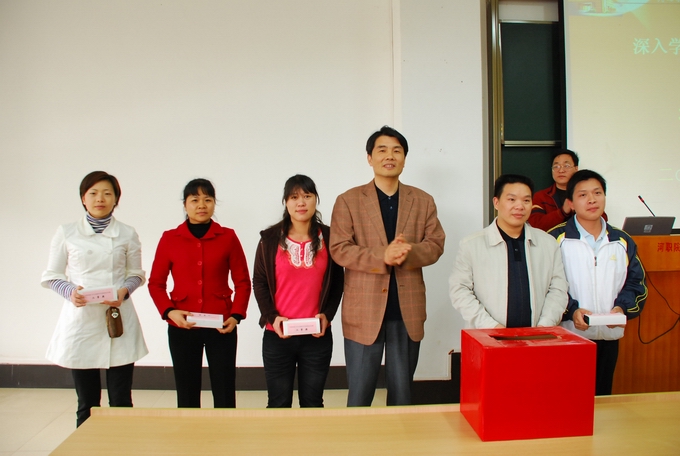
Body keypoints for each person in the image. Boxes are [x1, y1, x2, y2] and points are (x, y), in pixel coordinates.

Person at [330, 126, 445, 407]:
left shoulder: (423, 200)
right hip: (363, 311)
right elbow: (339, 249)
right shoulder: (348, 200)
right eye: (382, 150)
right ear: (369, 158)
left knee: (402, 395)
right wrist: (383, 255)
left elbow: (435, 244)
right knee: (359, 395)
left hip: (406, 311)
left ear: (405, 158)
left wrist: (407, 252)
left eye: (397, 150)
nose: (389, 156)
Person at [41, 171, 148, 427]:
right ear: (83, 198)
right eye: (93, 193)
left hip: (117, 317)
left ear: (116, 199)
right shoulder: (67, 232)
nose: (100, 198)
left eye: (107, 193)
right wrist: (70, 292)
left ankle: (121, 444)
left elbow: (136, 274)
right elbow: (52, 276)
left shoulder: (127, 233)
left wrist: (124, 291)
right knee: (87, 403)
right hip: (82, 320)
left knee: (121, 400)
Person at [148, 178, 251, 408]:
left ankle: (224, 428)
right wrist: (169, 312)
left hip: (221, 325)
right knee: (186, 391)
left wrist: (236, 315)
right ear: (185, 205)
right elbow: (156, 283)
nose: (201, 205)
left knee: (224, 389)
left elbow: (243, 282)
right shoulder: (170, 238)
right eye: (195, 200)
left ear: (214, 203)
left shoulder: (228, 237)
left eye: (208, 199)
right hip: (182, 324)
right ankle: (189, 430)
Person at [548, 170, 647, 395]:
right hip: (569, 336)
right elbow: (546, 286)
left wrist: (622, 308)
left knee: (602, 400)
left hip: (609, 336)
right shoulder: (555, 239)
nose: (592, 200)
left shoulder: (622, 240)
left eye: (597, 193)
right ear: (570, 203)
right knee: (569, 399)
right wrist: (572, 310)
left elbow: (636, 282)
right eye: (583, 195)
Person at [253, 174, 344, 408]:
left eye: (307, 196)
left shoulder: (331, 238)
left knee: (313, 402)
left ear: (316, 200)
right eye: (294, 197)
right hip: (277, 335)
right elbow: (259, 282)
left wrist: (328, 315)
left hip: (317, 337)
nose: (301, 202)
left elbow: (337, 283)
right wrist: (272, 317)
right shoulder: (269, 239)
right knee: (278, 402)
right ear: (286, 202)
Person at [449, 174, 568, 329]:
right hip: (488, 336)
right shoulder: (471, 245)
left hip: (538, 336)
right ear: (496, 202)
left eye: (526, 200)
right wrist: (492, 327)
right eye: (512, 199)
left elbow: (558, 289)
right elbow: (460, 290)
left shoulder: (548, 243)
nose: (520, 206)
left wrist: (544, 326)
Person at [529, 149, 580, 231]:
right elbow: (536, 226)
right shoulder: (541, 196)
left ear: (576, 169)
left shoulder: (585, 194)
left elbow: (599, 220)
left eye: (566, 166)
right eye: (556, 166)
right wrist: (563, 212)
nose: (561, 170)